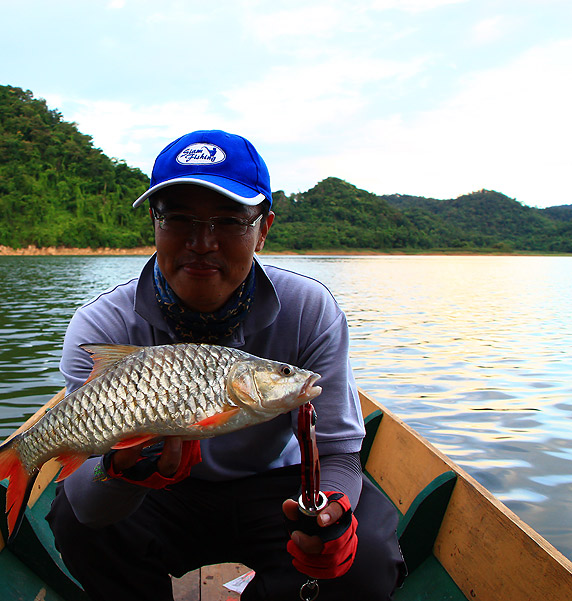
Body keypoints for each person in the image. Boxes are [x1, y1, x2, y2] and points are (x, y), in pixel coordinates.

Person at [46, 130, 405, 600]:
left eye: (230, 220)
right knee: (77, 522)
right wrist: (120, 472)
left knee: (365, 559)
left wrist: (329, 511)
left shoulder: (310, 309)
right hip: (157, 493)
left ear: (263, 228)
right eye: (177, 219)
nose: (202, 242)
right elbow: (89, 490)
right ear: (154, 223)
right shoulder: (100, 326)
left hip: (276, 489)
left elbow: (340, 454)